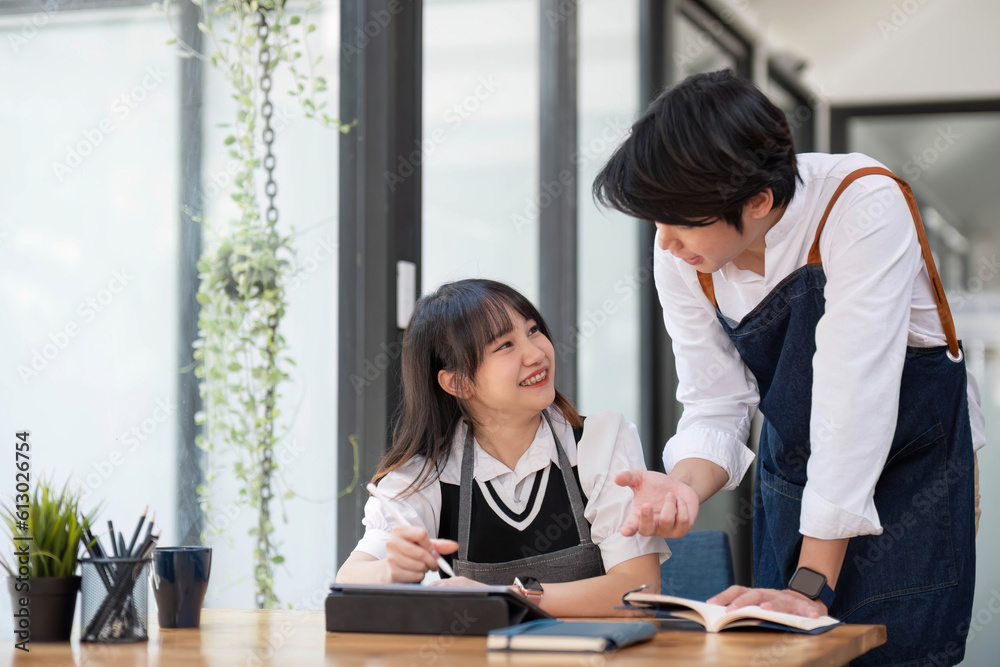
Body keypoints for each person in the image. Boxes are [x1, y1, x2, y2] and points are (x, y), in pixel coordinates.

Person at [592, 69, 981, 666]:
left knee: (894, 651)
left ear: (758, 201)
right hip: (798, 467)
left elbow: (854, 402)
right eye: (656, 220)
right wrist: (683, 485)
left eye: (680, 220)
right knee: (780, 651)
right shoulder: (683, 250)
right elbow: (715, 401)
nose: (663, 242)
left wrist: (809, 584)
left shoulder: (861, 204)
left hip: (910, 471)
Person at [335, 278, 669, 617]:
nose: (537, 353)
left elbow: (638, 594)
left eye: (533, 330)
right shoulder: (427, 474)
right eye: (505, 346)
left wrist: (502, 597)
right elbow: (349, 578)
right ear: (459, 382)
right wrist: (388, 570)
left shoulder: (601, 442)